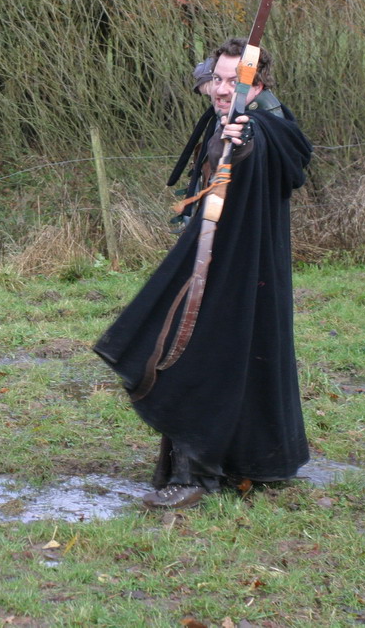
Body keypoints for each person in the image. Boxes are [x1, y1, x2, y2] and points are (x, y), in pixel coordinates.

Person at [95, 36, 313, 510]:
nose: (221, 89)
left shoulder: (259, 126)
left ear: (258, 86)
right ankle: (234, 462)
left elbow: (264, 146)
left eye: (234, 81)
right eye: (216, 79)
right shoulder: (235, 113)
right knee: (220, 355)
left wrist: (242, 142)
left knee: (195, 354)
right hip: (228, 263)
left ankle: (196, 476)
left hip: (234, 268)